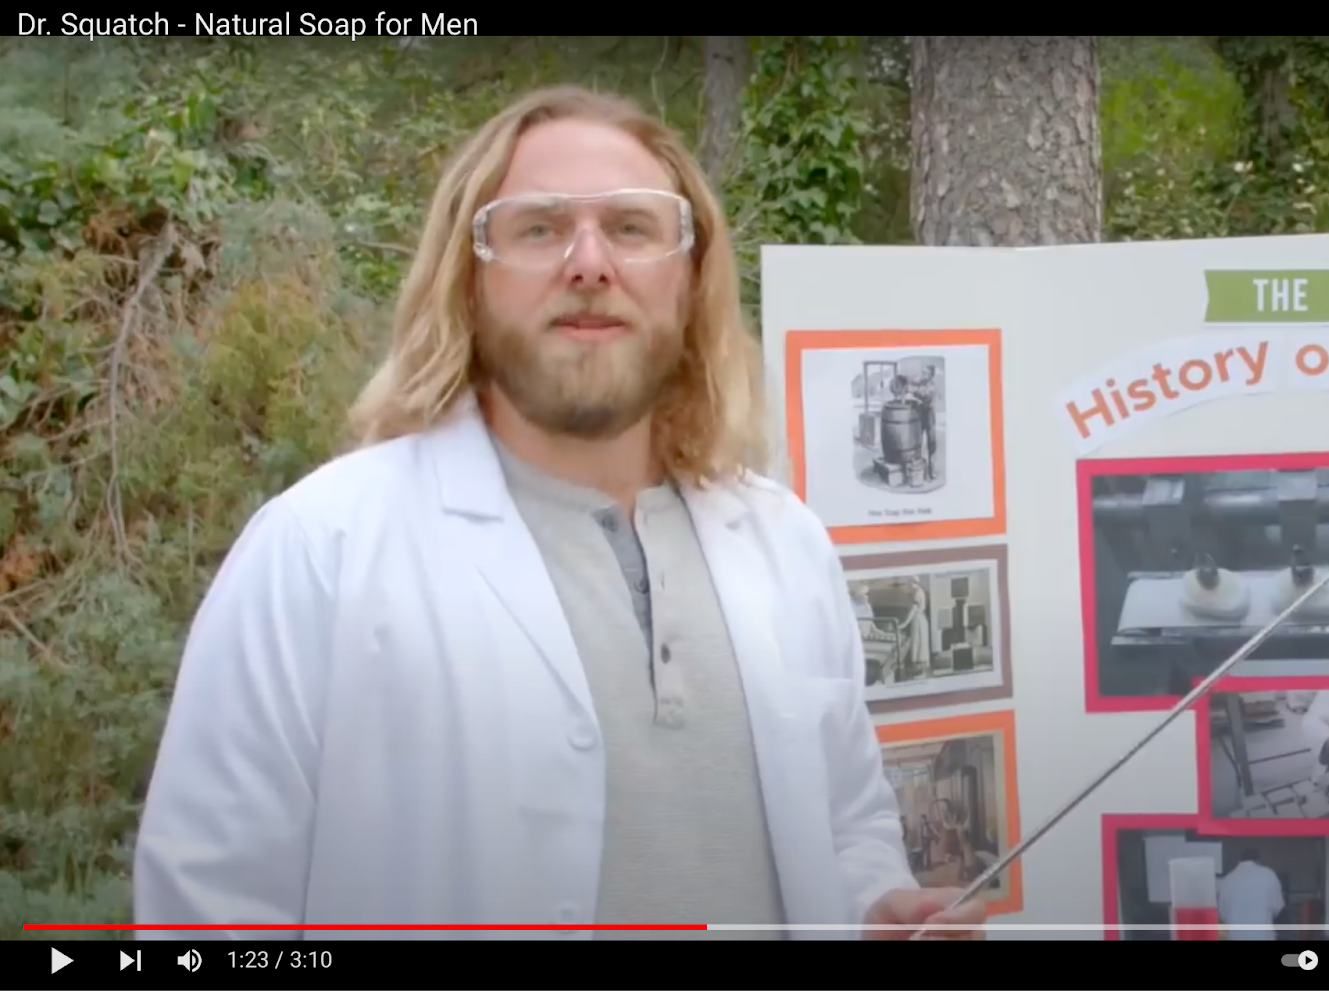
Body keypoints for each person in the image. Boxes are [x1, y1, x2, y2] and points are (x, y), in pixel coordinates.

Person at [132, 85, 985, 942]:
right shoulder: (319, 551)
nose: (588, 263)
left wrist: (873, 906)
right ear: (469, 281)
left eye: (632, 227)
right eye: (538, 228)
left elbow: (846, 822)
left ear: (691, 280)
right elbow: (208, 910)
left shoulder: (784, 542)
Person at [1217, 849, 1285, 941]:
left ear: (1239, 861)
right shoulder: (1268, 875)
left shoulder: (1226, 880)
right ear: (1258, 861)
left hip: (1235, 937)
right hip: (1262, 936)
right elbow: (1277, 907)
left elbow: (1222, 915)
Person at [908, 365, 939, 479]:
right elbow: (914, 382)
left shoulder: (932, 385)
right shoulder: (921, 383)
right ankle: (918, 469)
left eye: (925, 373)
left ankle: (932, 470)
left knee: (932, 444)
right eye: (922, 372)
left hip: (929, 415)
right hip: (920, 415)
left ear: (931, 375)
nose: (923, 375)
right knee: (917, 442)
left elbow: (926, 396)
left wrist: (913, 391)